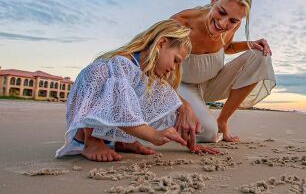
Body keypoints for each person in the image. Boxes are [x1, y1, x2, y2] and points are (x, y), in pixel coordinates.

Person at [55, 19, 215, 162]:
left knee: (158, 93)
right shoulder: (122, 63)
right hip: (84, 132)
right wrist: (153, 135)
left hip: (111, 129)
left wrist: (190, 140)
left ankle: (122, 140)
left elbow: (168, 102)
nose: (173, 68)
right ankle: (92, 142)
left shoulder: (146, 74)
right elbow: (118, 108)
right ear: (161, 44)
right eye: (175, 60)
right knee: (98, 72)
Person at [171, 0, 276, 146]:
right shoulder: (181, 22)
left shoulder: (234, 24)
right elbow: (157, 67)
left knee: (261, 55)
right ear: (214, 0)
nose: (223, 23)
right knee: (209, 133)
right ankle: (172, 120)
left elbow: (226, 47)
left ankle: (223, 120)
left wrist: (251, 44)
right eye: (221, 12)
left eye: (233, 21)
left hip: (213, 82)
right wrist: (182, 105)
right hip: (183, 87)